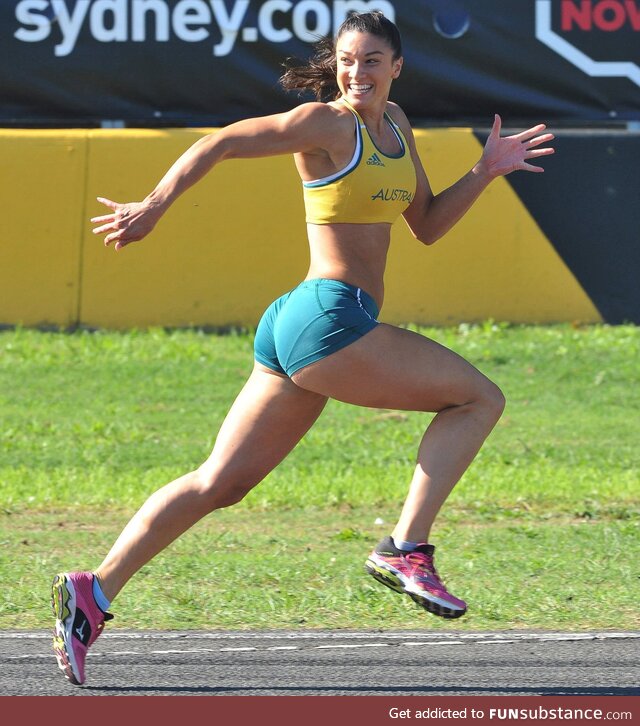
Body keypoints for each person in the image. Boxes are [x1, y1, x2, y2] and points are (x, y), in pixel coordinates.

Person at [51, 11, 554, 686]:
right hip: (326, 321)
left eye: (372, 60)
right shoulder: (327, 124)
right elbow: (224, 142)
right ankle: (405, 548)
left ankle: (94, 591)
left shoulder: (397, 125)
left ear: (397, 66)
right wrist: (154, 204)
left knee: (219, 483)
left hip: (300, 325)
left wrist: (485, 171)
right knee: (478, 399)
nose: (358, 72)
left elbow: (428, 225)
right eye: (348, 60)